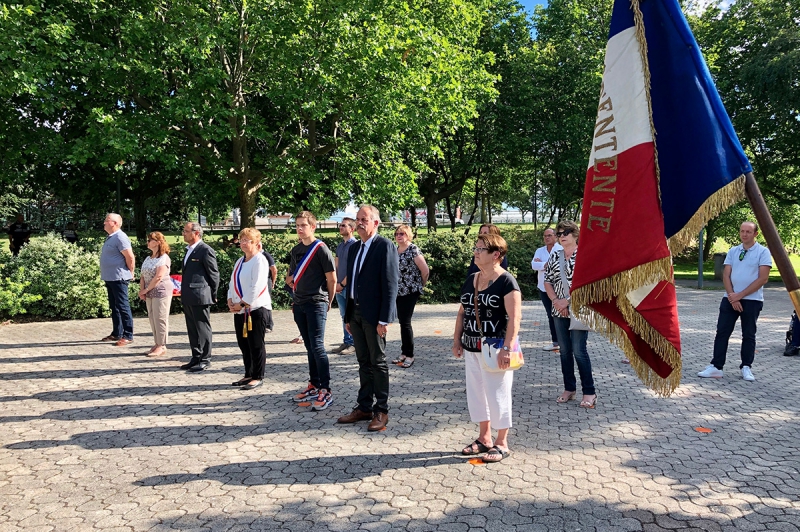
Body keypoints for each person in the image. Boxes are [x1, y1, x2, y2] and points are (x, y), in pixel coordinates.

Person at [453, 232, 521, 463]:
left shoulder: (507, 281)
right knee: (477, 393)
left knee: (497, 392)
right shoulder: (472, 278)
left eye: (481, 249)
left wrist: (507, 348)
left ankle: (502, 442)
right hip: (472, 345)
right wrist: (456, 340)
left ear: (496, 255)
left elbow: (514, 317)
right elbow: (463, 311)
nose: (476, 252)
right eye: (476, 248)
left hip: (496, 347)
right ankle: (485, 438)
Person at [337, 205, 399, 431]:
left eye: (364, 219)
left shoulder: (385, 246)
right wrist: (347, 315)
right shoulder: (354, 248)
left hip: (375, 316)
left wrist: (385, 319)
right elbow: (352, 283)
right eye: (357, 218)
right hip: (356, 314)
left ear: (375, 223)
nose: (359, 222)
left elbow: (391, 284)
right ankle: (364, 407)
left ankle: (381, 410)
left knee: (378, 362)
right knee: (363, 362)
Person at [698, 221, 772, 381]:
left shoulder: (763, 252)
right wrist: (732, 296)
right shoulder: (733, 251)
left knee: (749, 334)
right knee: (722, 332)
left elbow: (763, 278)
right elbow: (726, 275)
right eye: (742, 231)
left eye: (748, 231)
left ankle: (746, 367)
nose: (744, 234)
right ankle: (716, 366)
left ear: (755, 234)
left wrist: (740, 295)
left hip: (752, 300)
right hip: (730, 299)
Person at [286, 211, 337, 411]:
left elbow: (332, 278)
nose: (299, 229)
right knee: (309, 346)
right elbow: (290, 277)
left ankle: (326, 389)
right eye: (297, 225)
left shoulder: (321, 249)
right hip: (299, 303)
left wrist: (329, 301)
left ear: (313, 227)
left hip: (317, 302)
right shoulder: (295, 250)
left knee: (317, 345)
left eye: (303, 225)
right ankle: (314, 385)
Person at [544, 220, 597, 409]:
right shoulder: (555, 255)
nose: (562, 235)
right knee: (565, 351)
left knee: (579, 351)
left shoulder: (584, 255)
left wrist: (567, 301)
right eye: (559, 233)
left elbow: (590, 284)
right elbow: (547, 280)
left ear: (575, 233)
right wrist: (556, 302)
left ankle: (589, 392)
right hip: (558, 309)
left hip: (579, 308)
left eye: (566, 231)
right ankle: (569, 389)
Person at [227, 228, 272, 390]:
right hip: (240, 309)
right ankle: (248, 373)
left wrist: (243, 303)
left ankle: (258, 376)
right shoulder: (240, 261)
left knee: (256, 343)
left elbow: (257, 285)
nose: (243, 243)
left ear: (256, 243)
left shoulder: (260, 260)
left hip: (256, 309)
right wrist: (230, 299)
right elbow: (232, 282)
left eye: (248, 240)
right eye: (242, 240)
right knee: (243, 343)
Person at [179, 222, 220, 372]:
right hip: (189, 295)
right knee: (192, 328)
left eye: (186, 231)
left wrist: (213, 293)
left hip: (200, 295)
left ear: (196, 233)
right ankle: (196, 356)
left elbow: (213, 274)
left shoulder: (205, 250)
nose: (183, 233)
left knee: (202, 327)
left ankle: (205, 358)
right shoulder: (189, 250)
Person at [391, 224, 429, 368]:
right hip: (398, 291)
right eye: (397, 234)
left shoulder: (413, 249)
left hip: (410, 291)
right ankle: (403, 353)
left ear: (408, 235)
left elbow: (425, 270)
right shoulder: (394, 251)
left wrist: (420, 286)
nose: (399, 236)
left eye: (402, 234)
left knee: (405, 322)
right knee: (401, 321)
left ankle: (410, 355)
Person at [99, 213, 136, 347]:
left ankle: (128, 335)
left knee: (123, 306)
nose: (104, 222)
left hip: (119, 278)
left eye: (106, 220)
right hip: (110, 278)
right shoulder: (111, 237)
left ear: (115, 223)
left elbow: (130, 257)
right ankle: (117, 332)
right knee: (114, 307)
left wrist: (130, 271)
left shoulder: (120, 237)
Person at [139, 232, 173, 358]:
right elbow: (143, 275)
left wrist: (146, 289)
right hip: (149, 292)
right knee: (152, 317)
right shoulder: (149, 258)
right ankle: (156, 343)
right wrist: (142, 289)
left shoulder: (164, 258)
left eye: (150, 240)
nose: (148, 242)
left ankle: (162, 345)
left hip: (161, 291)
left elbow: (159, 276)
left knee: (160, 318)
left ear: (158, 242)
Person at [531, 228, 562, 352]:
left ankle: (564, 341)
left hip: (558, 289)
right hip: (543, 288)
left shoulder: (560, 249)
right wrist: (545, 264)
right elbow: (534, 265)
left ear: (555, 236)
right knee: (551, 315)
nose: (547, 238)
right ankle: (555, 342)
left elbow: (557, 266)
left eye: (549, 235)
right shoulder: (540, 250)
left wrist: (542, 264)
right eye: (545, 236)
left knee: (560, 315)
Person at [332, 218, 358, 355]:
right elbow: (336, 266)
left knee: (351, 315)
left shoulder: (355, 245)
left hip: (348, 287)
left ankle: (354, 343)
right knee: (344, 316)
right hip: (339, 286)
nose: (340, 227)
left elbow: (353, 269)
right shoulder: (340, 246)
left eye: (344, 225)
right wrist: (336, 283)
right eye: (340, 225)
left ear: (352, 228)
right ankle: (347, 341)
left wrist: (342, 284)